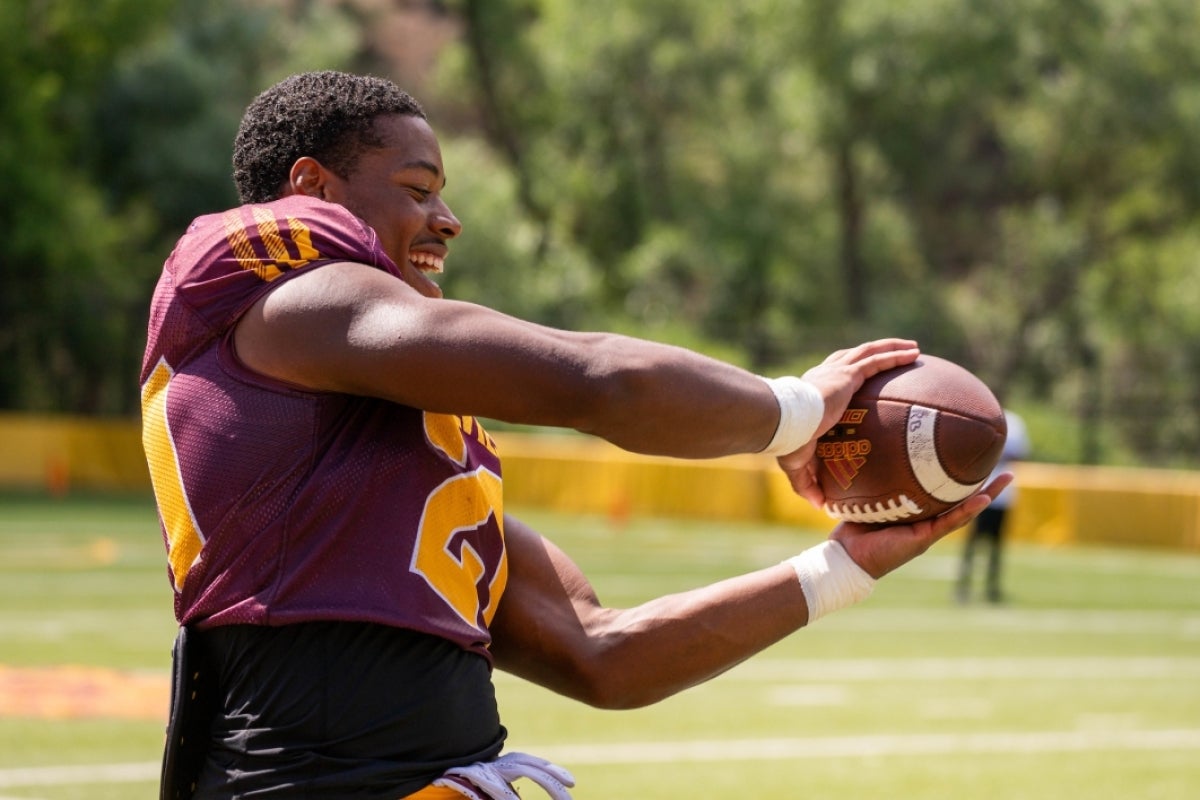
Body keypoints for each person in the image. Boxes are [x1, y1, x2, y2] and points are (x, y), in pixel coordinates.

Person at [140, 70, 1009, 800]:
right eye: (416, 189)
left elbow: (603, 653)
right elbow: (596, 380)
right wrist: (794, 410)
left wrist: (845, 565)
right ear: (313, 189)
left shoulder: (375, 455)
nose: (447, 218)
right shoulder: (289, 297)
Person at [956, 409, 1030, 604]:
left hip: (1004, 495)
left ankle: (992, 588)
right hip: (980, 490)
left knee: (996, 546)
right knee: (972, 544)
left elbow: (1020, 454)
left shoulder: (1014, 422)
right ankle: (963, 586)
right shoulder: (978, 417)